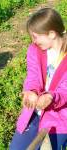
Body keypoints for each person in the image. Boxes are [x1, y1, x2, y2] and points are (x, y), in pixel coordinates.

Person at [10, 8, 67, 150]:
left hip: (59, 116)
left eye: (35, 36)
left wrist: (51, 97)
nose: (33, 41)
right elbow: (33, 75)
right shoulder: (35, 50)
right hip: (34, 112)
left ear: (52, 34)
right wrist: (31, 91)